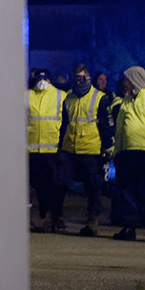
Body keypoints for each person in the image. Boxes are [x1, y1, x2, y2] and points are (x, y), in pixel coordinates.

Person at [110, 66, 145, 241]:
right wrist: (118, 152)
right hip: (128, 155)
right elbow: (119, 130)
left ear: (134, 80)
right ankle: (129, 227)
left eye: (127, 79)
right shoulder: (125, 102)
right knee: (128, 191)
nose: (125, 83)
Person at [60, 64, 113, 237]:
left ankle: (92, 220)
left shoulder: (100, 98)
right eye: (77, 78)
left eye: (84, 78)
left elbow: (106, 126)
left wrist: (107, 148)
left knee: (93, 188)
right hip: (70, 148)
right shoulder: (68, 98)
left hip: (91, 150)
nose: (81, 82)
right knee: (60, 182)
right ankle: (56, 217)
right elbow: (64, 124)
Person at [26, 68, 68, 233]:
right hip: (33, 150)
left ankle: (57, 217)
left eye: (45, 78)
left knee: (56, 186)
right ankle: (46, 217)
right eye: (39, 77)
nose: (42, 81)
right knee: (40, 187)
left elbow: (66, 122)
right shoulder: (27, 96)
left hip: (54, 149)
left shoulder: (60, 95)